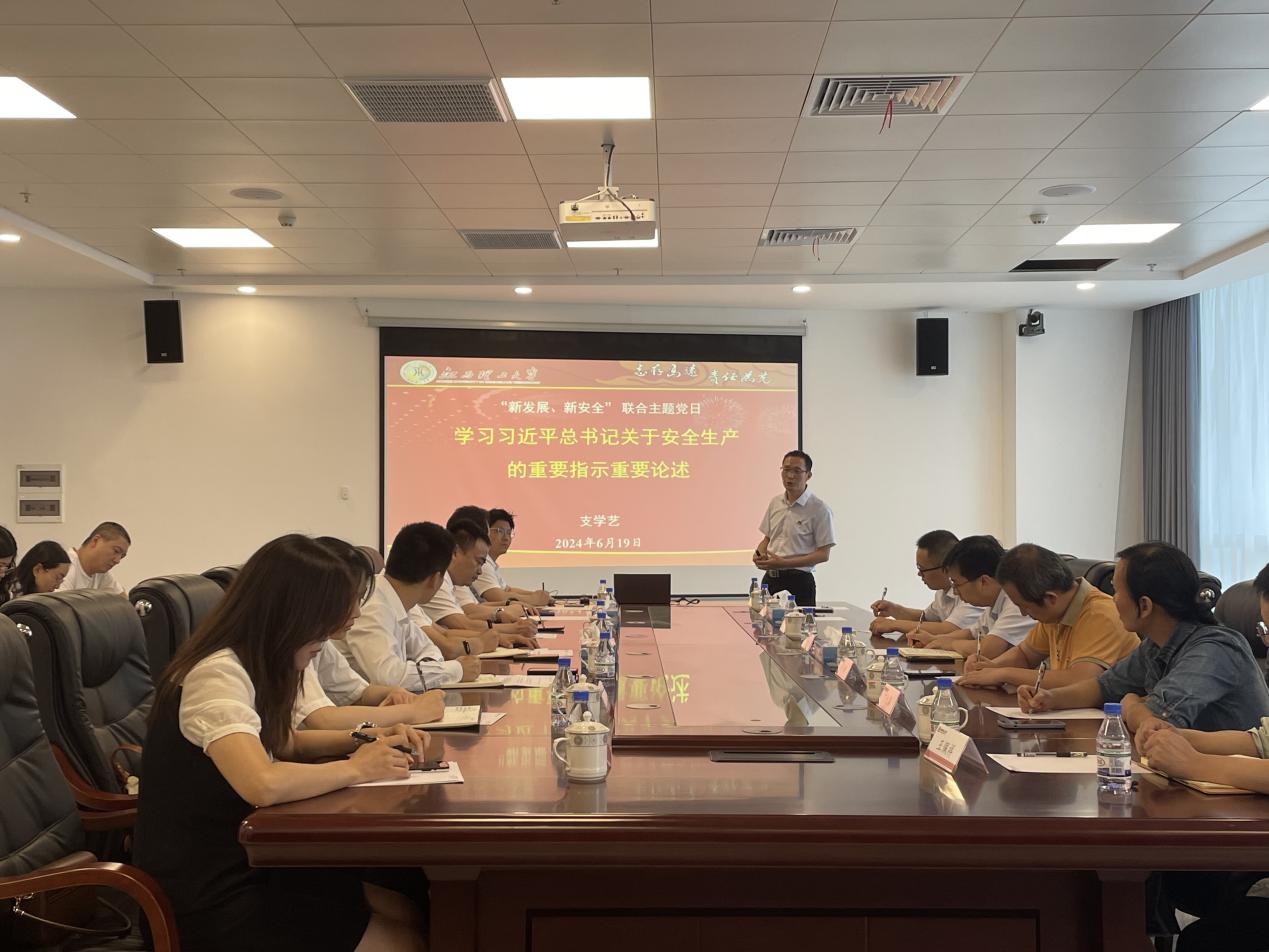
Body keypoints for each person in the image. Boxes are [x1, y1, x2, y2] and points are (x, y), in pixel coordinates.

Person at [134, 534, 434, 952]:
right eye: (332, 615)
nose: (340, 626)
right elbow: (262, 783)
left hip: (258, 860)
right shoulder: (216, 675)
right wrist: (356, 767)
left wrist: (368, 737)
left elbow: (284, 743)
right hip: (211, 892)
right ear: (293, 613)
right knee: (405, 941)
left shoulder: (253, 662)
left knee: (410, 910)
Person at [1019, 543, 1269, 734]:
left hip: (1231, 780)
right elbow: (1104, 687)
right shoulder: (1156, 644)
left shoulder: (1215, 650)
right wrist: (1050, 698)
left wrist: (1131, 703)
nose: (1113, 599)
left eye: (1117, 591)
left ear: (1145, 605)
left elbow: (1158, 723)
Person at [296, 537, 446, 730]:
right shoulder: (295, 643)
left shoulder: (318, 639)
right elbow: (322, 719)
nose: (358, 612)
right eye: (352, 598)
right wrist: (413, 711)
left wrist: (392, 693)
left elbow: (356, 692)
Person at [959, 543, 1139, 691]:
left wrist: (1004, 674)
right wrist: (989, 668)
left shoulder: (1100, 614)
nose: (1023, 613)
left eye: (1024, 606)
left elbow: (1081, 680)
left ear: (1050, 598)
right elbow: (1025, 655)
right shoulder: (1057, 611)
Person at [339, 522, 483, 692]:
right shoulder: (373, 605)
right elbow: (389, 678)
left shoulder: (397, 597)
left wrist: (429, 672)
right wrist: (455, 670)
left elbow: (429, 649)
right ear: (435, 579)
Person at [917, 535, 1034, 659]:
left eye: (957, 584)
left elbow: (987, 650)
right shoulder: (995, 600)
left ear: (984, 582)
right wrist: (934, 639)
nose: (955, 592)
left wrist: (949, 644)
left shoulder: (1016, 602)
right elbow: (971, 633)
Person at [423, 519, 538, 645]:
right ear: (455, 553)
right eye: (478, 562)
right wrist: (513, 629)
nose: (480, 571)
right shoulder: (437, 579)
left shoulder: (450, 580)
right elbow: (461, 624)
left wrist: (498, 619)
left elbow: (456, 624)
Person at [753, 450, 835, 608]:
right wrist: (759, 554)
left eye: (797, 471)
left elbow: (823, 554)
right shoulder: (775, 502)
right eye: (786, 470)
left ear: (808, 475)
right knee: (764, 623)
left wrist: (785, 563)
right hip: (770, 579)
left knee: (799, 624)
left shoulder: (819, 509)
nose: (790, 476)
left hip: (799, 582)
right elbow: (767, 539)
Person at [870, 530, 984, 638]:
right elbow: (925, 619)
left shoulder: (973, 591)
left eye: (922, 569)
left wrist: (894, 624)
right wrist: (894, 609)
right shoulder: (942, 592)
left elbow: (950, 629)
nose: (919, 574)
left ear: (945, 568)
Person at [473, 508, 552, 608]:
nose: (506, 538)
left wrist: (536, 595)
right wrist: (534, 599)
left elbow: (507, 590)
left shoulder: (489, 563)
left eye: (509, 532)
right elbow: (497, 597)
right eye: (500, 531)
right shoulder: (482, 564)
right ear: (485, 531)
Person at [58, 521, 130, 595]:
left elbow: (121, 597)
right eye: (116, 551)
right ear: (95, 541)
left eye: (122, 556)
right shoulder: (66, 567)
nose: (117, 561)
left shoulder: (100, 572)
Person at [1, 540, 72, 602]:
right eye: (58, 578)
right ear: (37, 569)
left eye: (61, 580)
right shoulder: (7, 594)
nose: (57, 587)